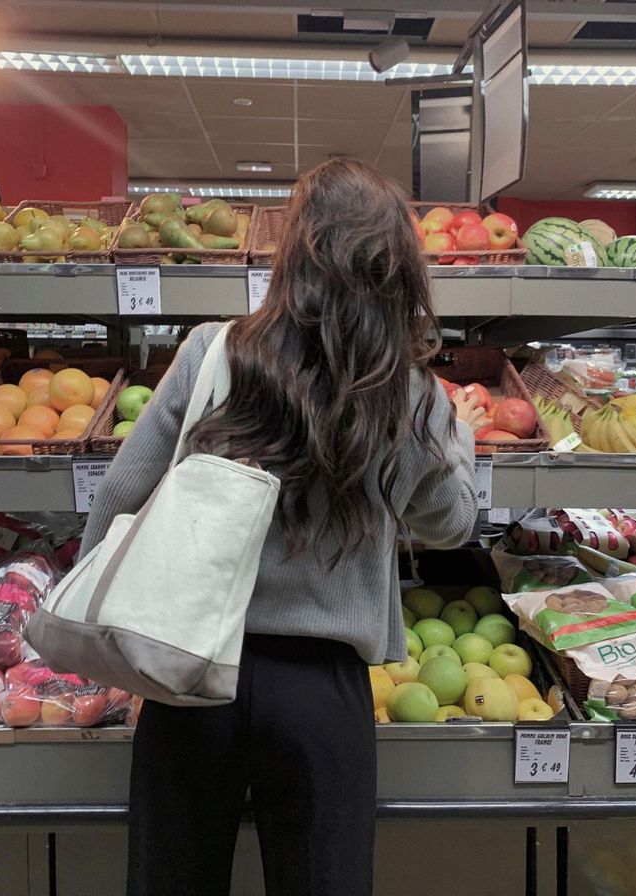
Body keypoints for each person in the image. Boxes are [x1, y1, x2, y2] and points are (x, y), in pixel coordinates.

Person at [79, 158, 477, 896]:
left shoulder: (212, 353)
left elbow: (120, 497)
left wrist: (110, 634)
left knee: (172, 878)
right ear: (396, 269)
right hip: (323, 692)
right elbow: (450, 524)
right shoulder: (408, 392)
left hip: (188, 665)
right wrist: (456, 435)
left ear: (295, 252)